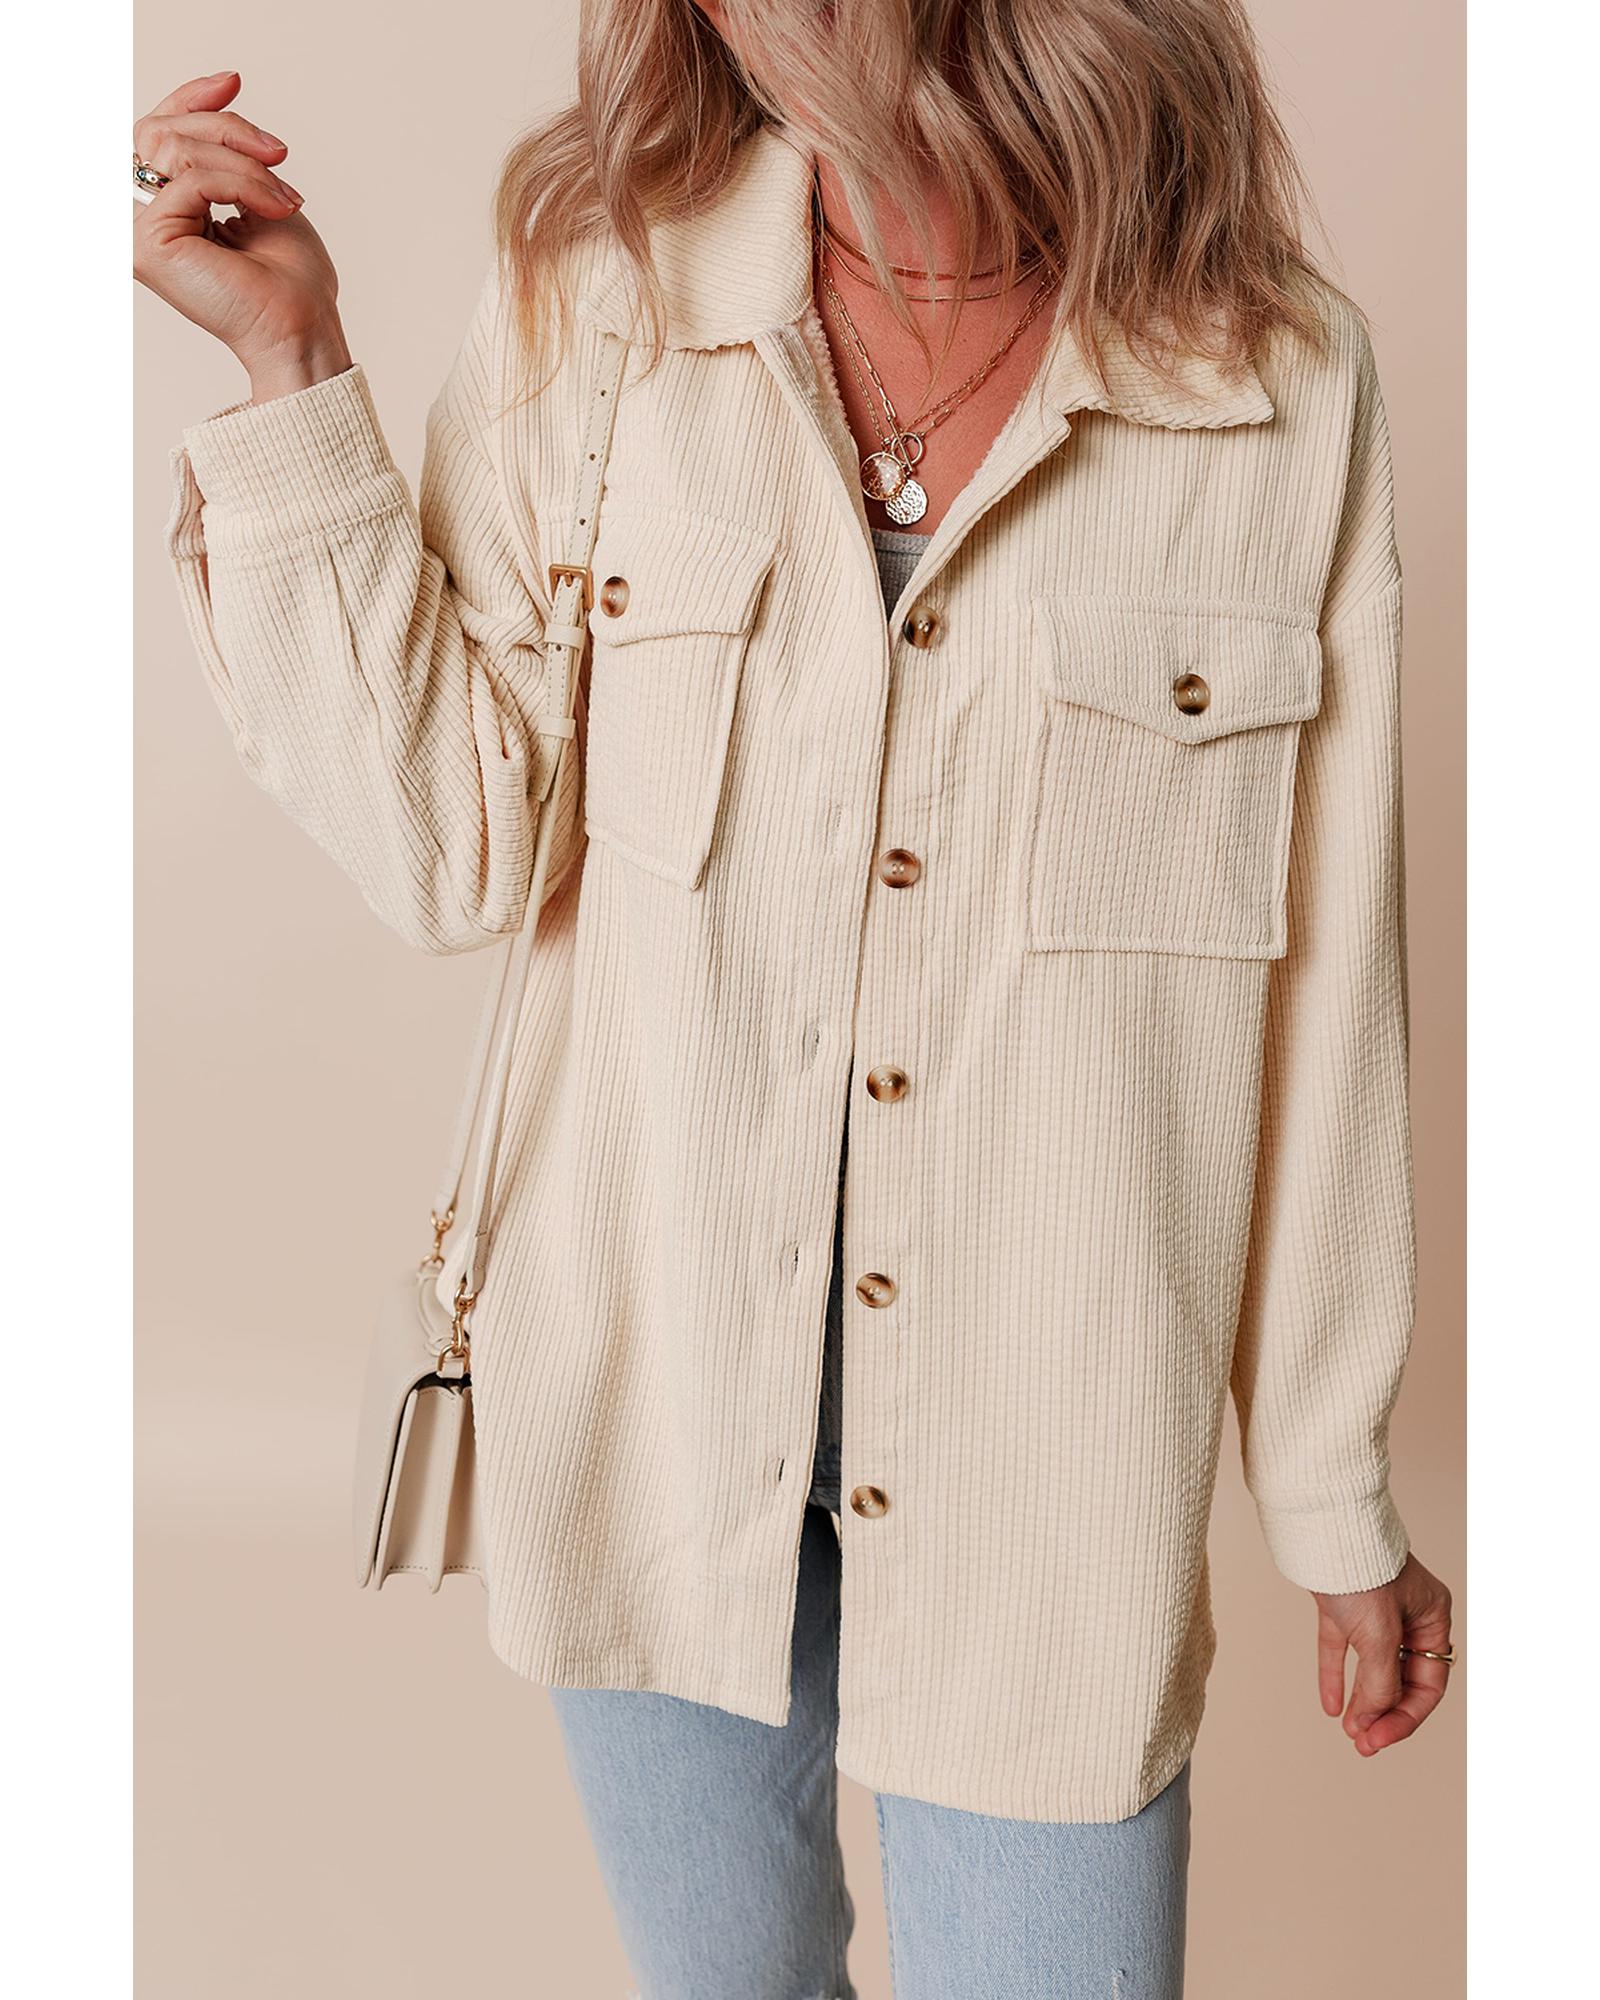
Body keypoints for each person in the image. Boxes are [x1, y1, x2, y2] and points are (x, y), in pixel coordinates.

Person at [135, 4, 1455, 1993]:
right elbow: (453, 849)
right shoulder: (598, 306)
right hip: (653, 1404)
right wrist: (290, 368)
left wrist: (1331, 1485)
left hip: (1052, 1459)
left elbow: (1332, 974)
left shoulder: (1272, 380)